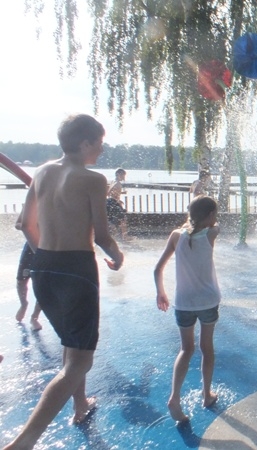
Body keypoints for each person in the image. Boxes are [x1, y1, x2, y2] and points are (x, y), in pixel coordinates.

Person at [5, 114, 124, 449]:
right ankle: (24, 442)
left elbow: (24, 224)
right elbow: (101, 236)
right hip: (77, 270)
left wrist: (45, 256)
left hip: (43, 267)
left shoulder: (43, 172)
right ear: (85, 143)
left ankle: (80, 404)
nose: (101, 150)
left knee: (72, 345)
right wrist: (118, 256)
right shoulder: (93, 179)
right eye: (99, 143)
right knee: (80, 361)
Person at [154, 195, 221, 423]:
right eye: (215, 214)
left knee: (186, 349)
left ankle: (175, 398)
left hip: (183, 303)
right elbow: (214, 226)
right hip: (208, 301)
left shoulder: (176, 236)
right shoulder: (212, 233)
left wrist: (161, 292)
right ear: (210, 215)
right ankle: (207, 395)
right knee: (207, 348)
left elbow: (157, 269)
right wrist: (209, 221)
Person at [14, 212, 42, 330]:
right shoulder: (34, 203)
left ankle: (34, 317)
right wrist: (29, 227)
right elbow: (18, 224)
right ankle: (23, 304)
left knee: (43, 286)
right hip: (30, 246)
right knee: (21, 280)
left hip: (49, 247)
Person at [106, 168, 129, 240]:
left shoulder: (113, 181)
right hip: (114, 202)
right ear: (119, 174)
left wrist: (121, 193)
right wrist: (118, 201)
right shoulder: (118, 184)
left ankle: (113, 234)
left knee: (111, 219)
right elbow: (114, 194)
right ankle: (124, 236)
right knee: (123, 219)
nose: (124, 177)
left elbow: (108, 192)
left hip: (109, 201)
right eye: (123, 175)